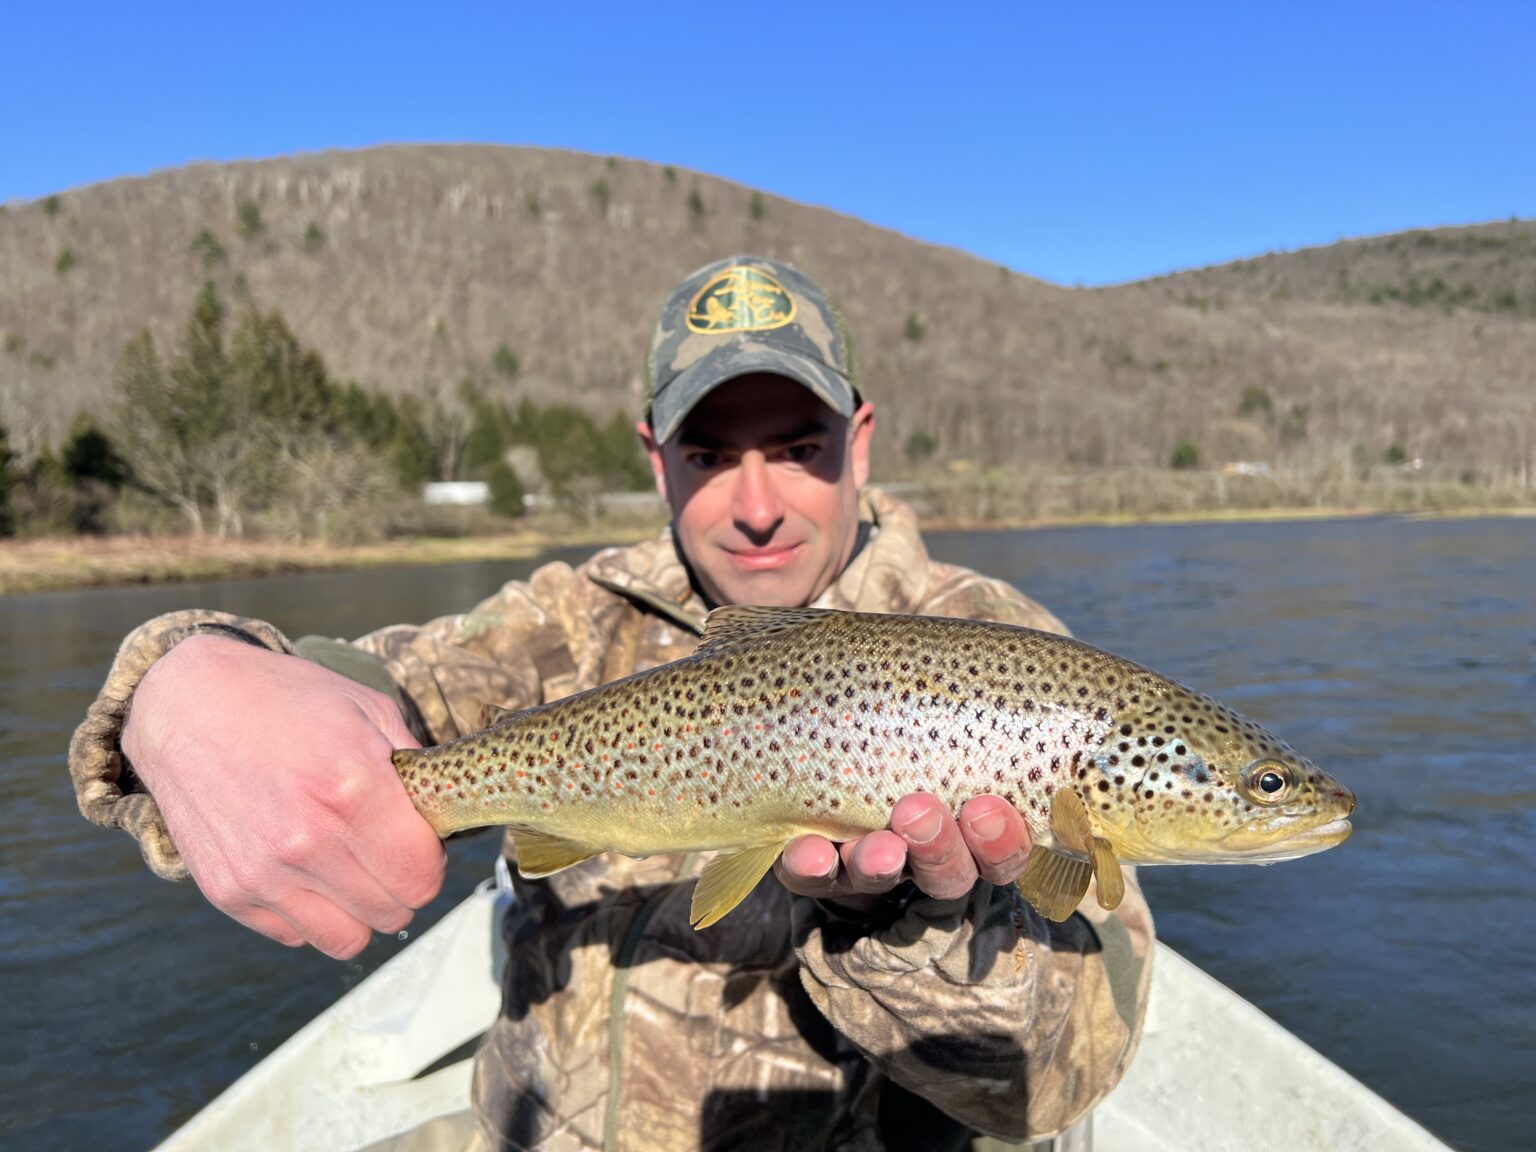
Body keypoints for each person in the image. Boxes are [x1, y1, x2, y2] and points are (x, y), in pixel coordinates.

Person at [69, 256, 1153, 1151]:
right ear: (655, 457)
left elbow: (1056, 1082)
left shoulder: (1009, 659)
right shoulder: (564, 623)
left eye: (798, 449)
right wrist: (184, 677)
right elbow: (350, 695)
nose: (758, 505)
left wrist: (912, 923)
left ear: (860, 441)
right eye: (709, 454)